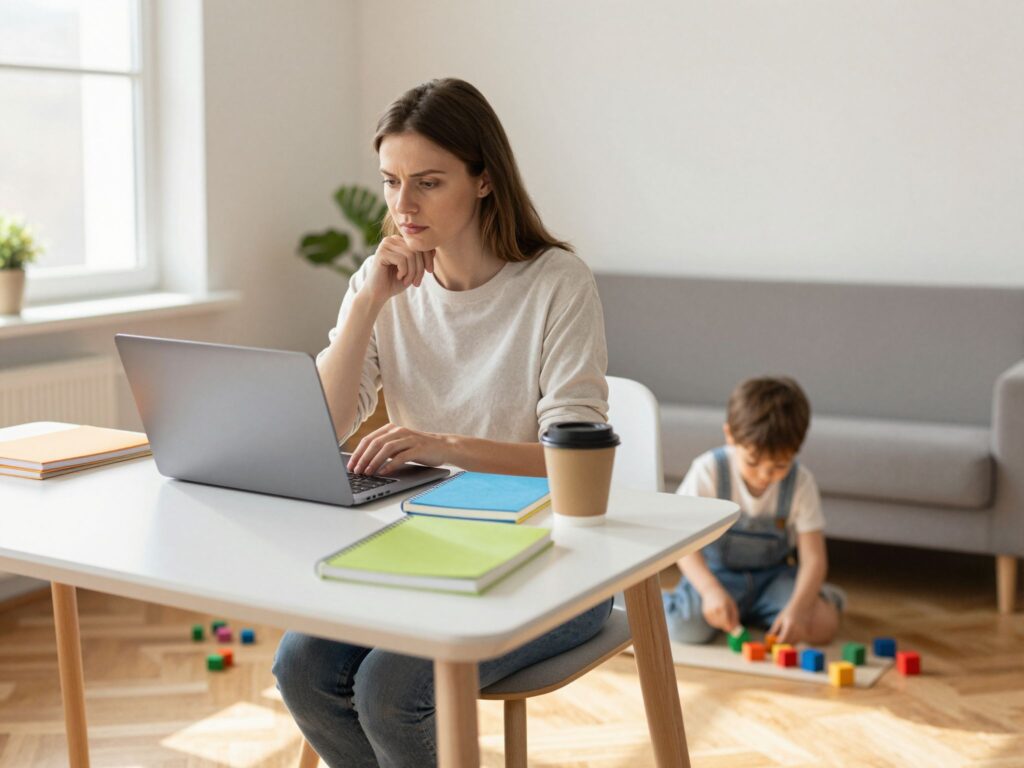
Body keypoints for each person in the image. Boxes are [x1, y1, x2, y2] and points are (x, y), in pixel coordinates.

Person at [273, 78, 614, 767]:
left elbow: (575, 470)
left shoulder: (557, 283)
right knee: (299, 668)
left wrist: (441, 445)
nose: (403, 206)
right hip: (421, 551)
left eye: (428, 182)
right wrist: (369, 302)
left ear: (485, 180)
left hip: (554, 562)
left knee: (391, 692)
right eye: (391, 182)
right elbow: (325, 426)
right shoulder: (383, 282)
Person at [663, 376, 844, 645]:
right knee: (681, 629)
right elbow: (683, 545)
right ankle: (679, 601)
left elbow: (814, 559)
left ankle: (818, 598)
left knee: (821, 627)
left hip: (773, 580)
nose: (765, 475)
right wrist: (710, 590)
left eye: (780, 465)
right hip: (718, 576)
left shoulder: (800, 483)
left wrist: (796, 610)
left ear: (796, 451)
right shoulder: (709, 470)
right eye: (753, 462)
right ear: (730, 436)